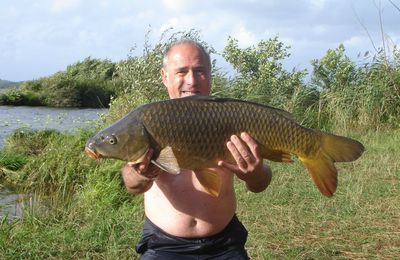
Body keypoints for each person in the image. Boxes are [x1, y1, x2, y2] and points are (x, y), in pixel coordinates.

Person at [121, 39, 273, 259]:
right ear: (165, 77)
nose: (191, 81)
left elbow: (261, 184)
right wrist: (140, 173)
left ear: (210, 75)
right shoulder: (151, 121)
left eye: (200, 71)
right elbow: (131, 183)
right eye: (182, 71)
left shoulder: (229, 117)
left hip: (225, 244)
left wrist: (256, 174)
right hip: (164, 246)